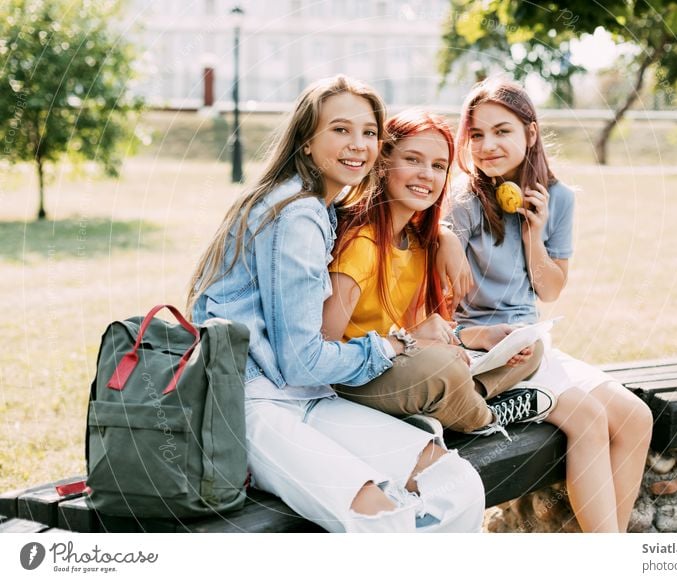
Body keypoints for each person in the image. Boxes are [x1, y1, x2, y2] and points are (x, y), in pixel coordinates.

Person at [186, 75, 484, 533]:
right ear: (307, 140)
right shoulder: (298, 213)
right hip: (253, 403)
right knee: (384, 517)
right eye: (340, 130)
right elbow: (303, 361)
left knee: (457, 485)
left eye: (368, 133)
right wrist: (398, 344)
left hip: (308, 397)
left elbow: (395, 212)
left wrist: (442, 234)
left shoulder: (320, 206)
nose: (358, 145)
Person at [446, 77, 653, 533]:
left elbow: (551, 290)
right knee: (588, 417)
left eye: (502, 131)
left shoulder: (555, 198)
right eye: (476, 134)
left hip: (533, 342)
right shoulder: (459, 204)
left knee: (636, 417)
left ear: (530, 133)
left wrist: (532, 235)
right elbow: (444, 304)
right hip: (484, 353)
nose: (487, 145)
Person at [323, 109, 556, 438]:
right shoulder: (360, 246)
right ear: (383, 162)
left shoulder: (419, 243)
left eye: (437, 166)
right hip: (354, 379)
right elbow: (324, 354)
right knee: (441, 370)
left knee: (529, 346)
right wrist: (417, 340)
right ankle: (485, 418)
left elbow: (419, 334)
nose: (426, 175)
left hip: (404, 363)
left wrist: (477, 338)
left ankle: (450, 405)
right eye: (413, 160)